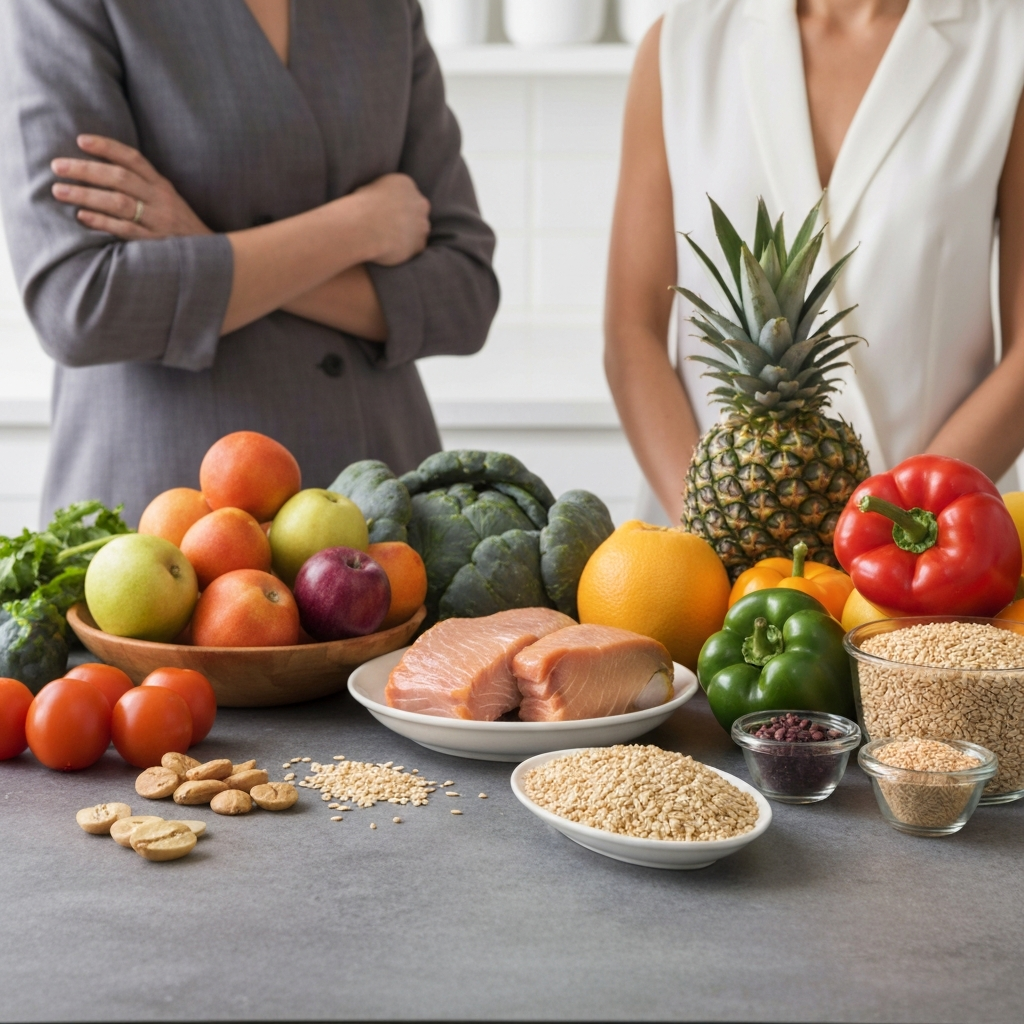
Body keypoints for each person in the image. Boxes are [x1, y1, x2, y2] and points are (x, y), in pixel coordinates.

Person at [0, 0, 498, 526]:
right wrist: (358, 228)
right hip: (163, 528)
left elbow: (464, 296)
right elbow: (81, 304)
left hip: (378, 516)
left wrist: (202, 241)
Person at [605, 0, 1024, 523]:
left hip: (938, 539)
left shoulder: (1008, 45)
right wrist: (711, 525)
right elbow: (632, 330)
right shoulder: (682, 45)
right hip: (708, 551)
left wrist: (898, 524)